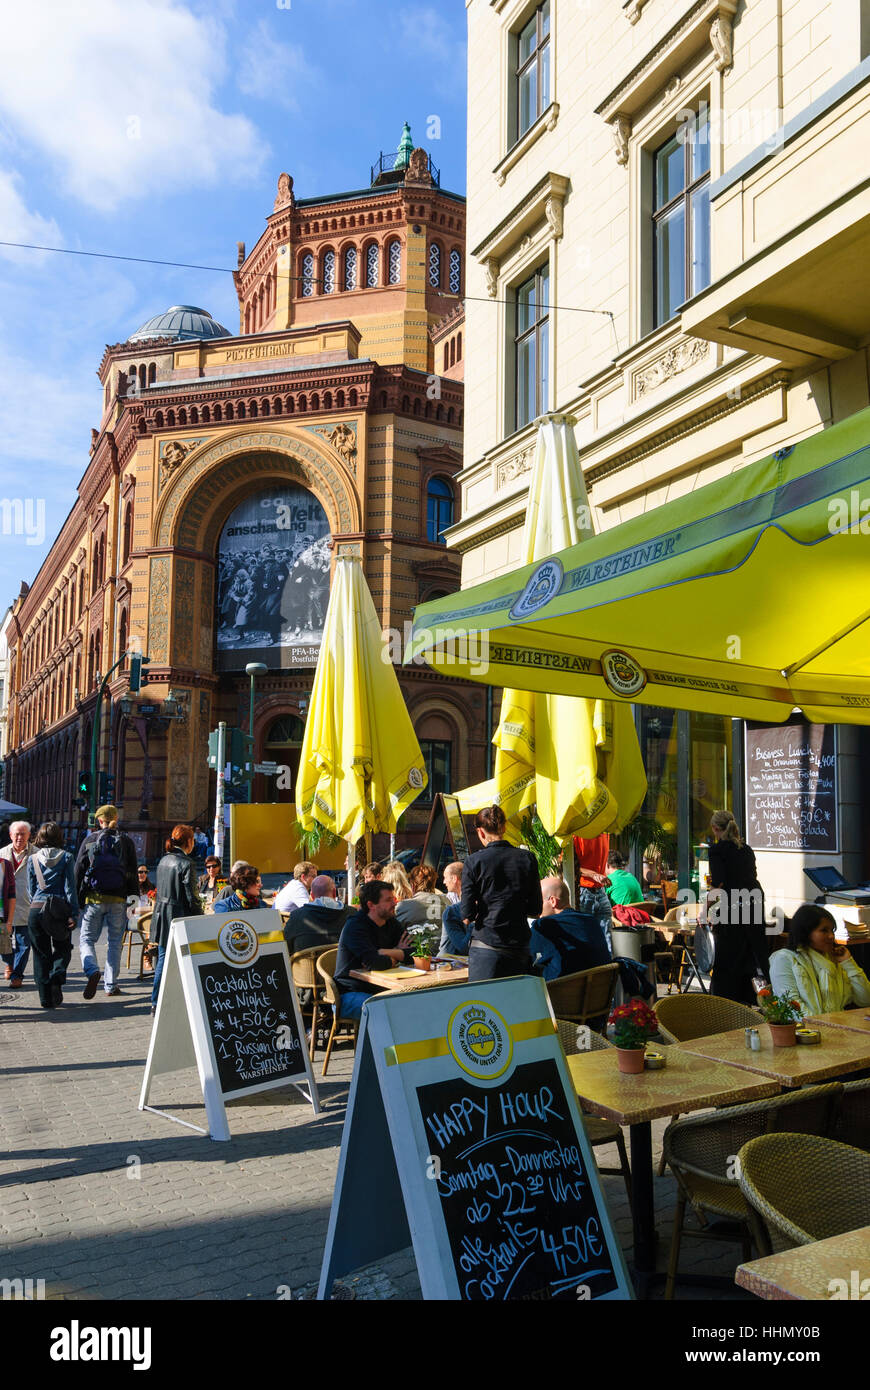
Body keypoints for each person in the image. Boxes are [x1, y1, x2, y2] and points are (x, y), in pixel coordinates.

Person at [460, 806, 543, 981]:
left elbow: (467, 913)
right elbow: (536, 909)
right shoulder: (527, 858)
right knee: (515, 1007)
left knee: (484, 1006)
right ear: (504, 828)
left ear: (480, 832)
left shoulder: (473, 862)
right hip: (519, 948)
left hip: (486, 947)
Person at [75, 804, 139, 999]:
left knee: (86, 939)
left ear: (99, 821)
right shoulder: (126, 842)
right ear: (116, 819)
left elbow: (78, 869)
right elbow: (133, 872)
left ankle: (92, 969)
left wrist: (79, 900)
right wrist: (133, 901)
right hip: (119, 899)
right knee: (114, 942)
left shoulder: (90, 840)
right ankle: (111, 985)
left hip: (93, 898)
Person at [707, 809, 768, 1007]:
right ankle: (756, 1000)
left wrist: (706, 911)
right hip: (754, 903)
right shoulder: (747, 849)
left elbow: (719, 885)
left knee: (728, 960)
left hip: (733, 907)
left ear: (716, 829)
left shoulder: (717, 850)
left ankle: (727, 1007)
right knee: (752, 955)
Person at [770, 905, 870, 1016]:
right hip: (805, 1030)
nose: (831, 936)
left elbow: (865, 1000)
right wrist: (823, 1027)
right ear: (806, 932)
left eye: (832, 930)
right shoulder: (784, 959)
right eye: (824, 931)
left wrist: (848, 962)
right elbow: (791, 1006)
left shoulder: (835, 959)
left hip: (837, 1027)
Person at [333, 880, 412, 1019]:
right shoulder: (355, 926)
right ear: (371, 905)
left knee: (415, 1002)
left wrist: (386, 952)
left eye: (393, 899)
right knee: (386, 1012)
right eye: (388, 900)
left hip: (382, 988)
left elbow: (415, 953)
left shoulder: (390, 922)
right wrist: (398, 954)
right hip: (349, 992)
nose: (394, 903)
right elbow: (374, 962)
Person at [150, 824, 202, 1012]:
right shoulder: (187, 863)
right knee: (180, 958)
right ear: (188, 841)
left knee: (163, 958)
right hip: (179, 916)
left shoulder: (164, 860)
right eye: (193, 840)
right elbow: (191, 896)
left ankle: (156, 1001)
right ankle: (172, 1000)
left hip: (162, 914)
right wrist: (200, 916)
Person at [27, 822, 79, 1009]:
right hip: (59, 910)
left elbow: (30, 890)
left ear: (39, 837)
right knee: (63, 947)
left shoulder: (32, 859)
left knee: (40, 954)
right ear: (59, 837)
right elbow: (70, 888)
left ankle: (45, 999)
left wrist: (38, 903)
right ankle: (57, 976)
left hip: (36, 909)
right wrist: (73, 913)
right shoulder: (66, 857)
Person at [530, 876, 612, 980]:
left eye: (539, 901)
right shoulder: (592, 921)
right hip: (600, 992)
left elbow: (526, 958)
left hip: (560, 995)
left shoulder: (545, 926)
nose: (537, 907)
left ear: (553, 901)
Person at [283, 874, 349, 954]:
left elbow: (285, 946)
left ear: (312, 896)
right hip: (341, 965)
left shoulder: (297, 917)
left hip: (307, 965)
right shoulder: (350, 914)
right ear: (334, 893)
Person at [1, 821, 33, 988]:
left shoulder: (37, 853)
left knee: (24, 944)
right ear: (11, 835)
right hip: (4, 908)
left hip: (27, 906)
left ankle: (17, 975)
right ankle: (9, 963)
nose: (20, 837)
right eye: (17, 834)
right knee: (3, 942)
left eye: (23, 834)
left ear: (29, 835)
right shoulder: (2, 853)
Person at [395, 864, 449, 934]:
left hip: (416, 944)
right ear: (434, 883)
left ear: (413, 885)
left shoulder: (402, 906)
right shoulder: (448, 902)